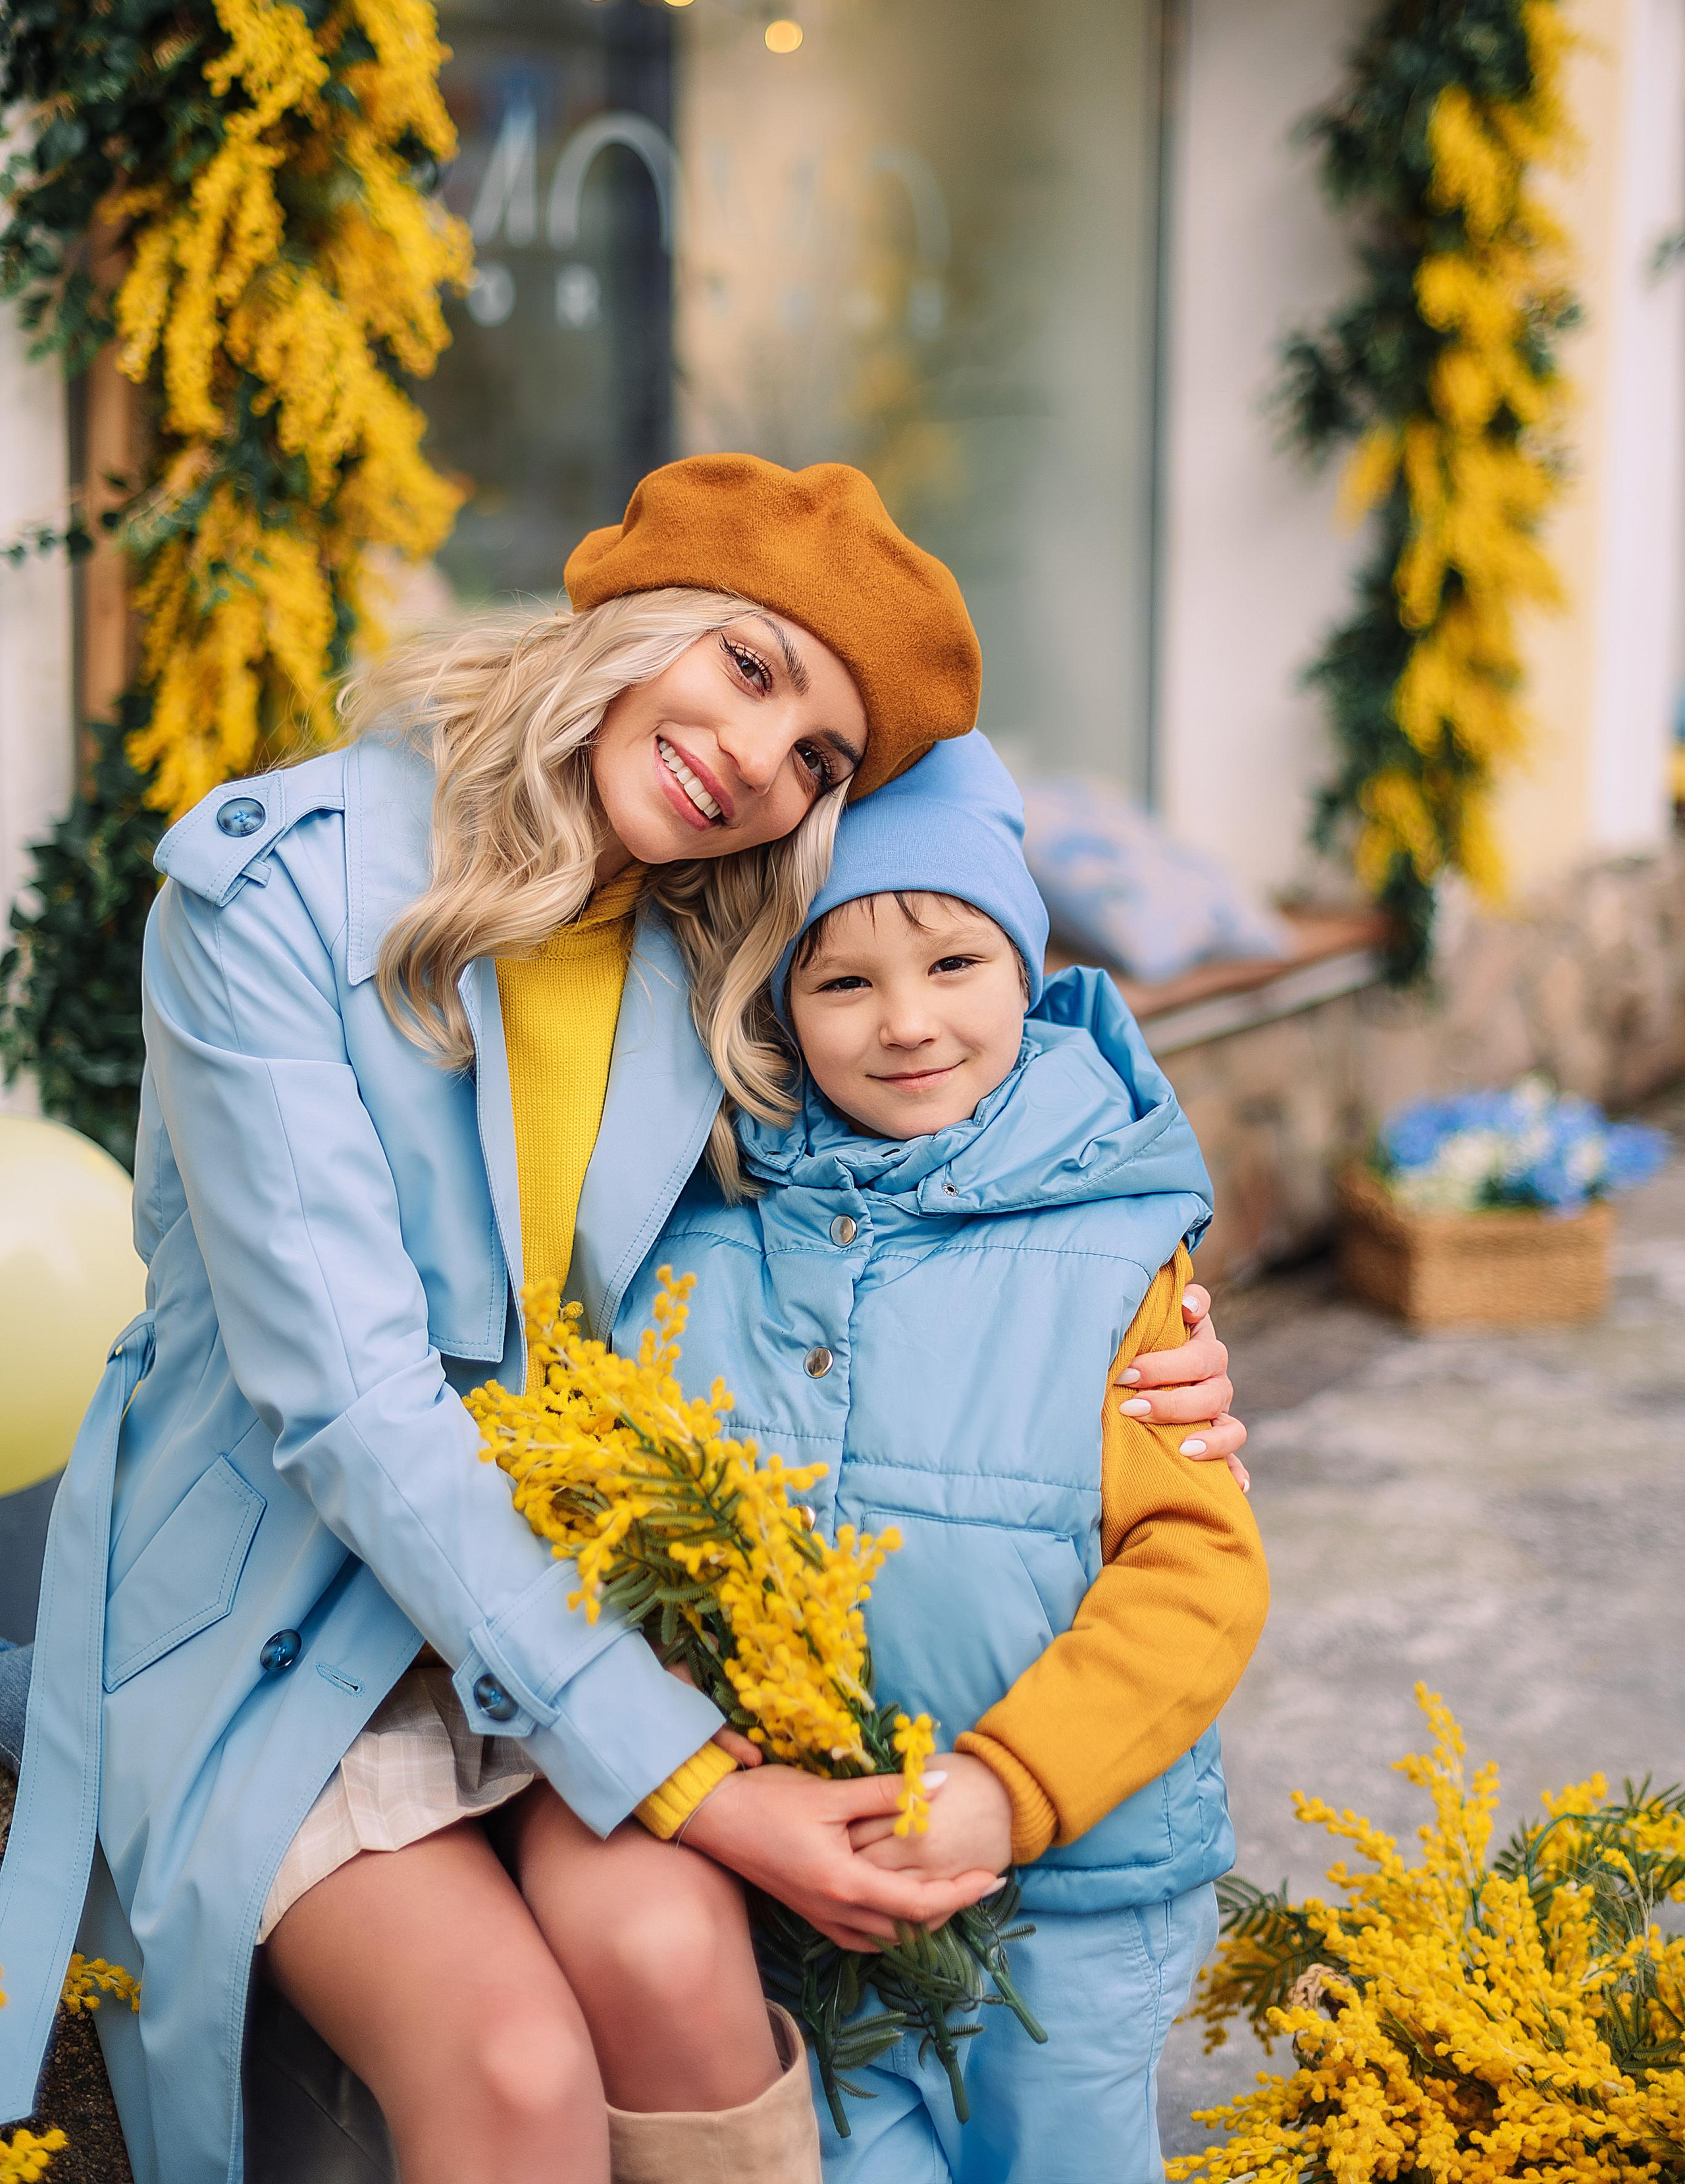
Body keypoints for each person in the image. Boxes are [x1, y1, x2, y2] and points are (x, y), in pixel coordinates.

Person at [0, 455, 1246, 2184]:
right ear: (630, 620)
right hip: (292, 1619)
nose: (756, 760)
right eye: (748, 667)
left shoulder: (722, 941)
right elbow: (353, 1409)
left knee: (674, 1963)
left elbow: (925, 1185)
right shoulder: (272, 894)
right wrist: (694, 1782)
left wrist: (1136, 1341)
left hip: (582, 1616)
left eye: (817, 754)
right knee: (508, 2072)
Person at [593, 731, 1270, 2179]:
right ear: (777, 1007)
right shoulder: (694, 1240)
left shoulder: (1111, 1252)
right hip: (805, 1906)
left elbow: (1194, 1571)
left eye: (953, 965)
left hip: (1066, 1907)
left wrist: (1007, 1786)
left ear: (1025, 974)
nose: (904, 1021)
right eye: (843, 980)